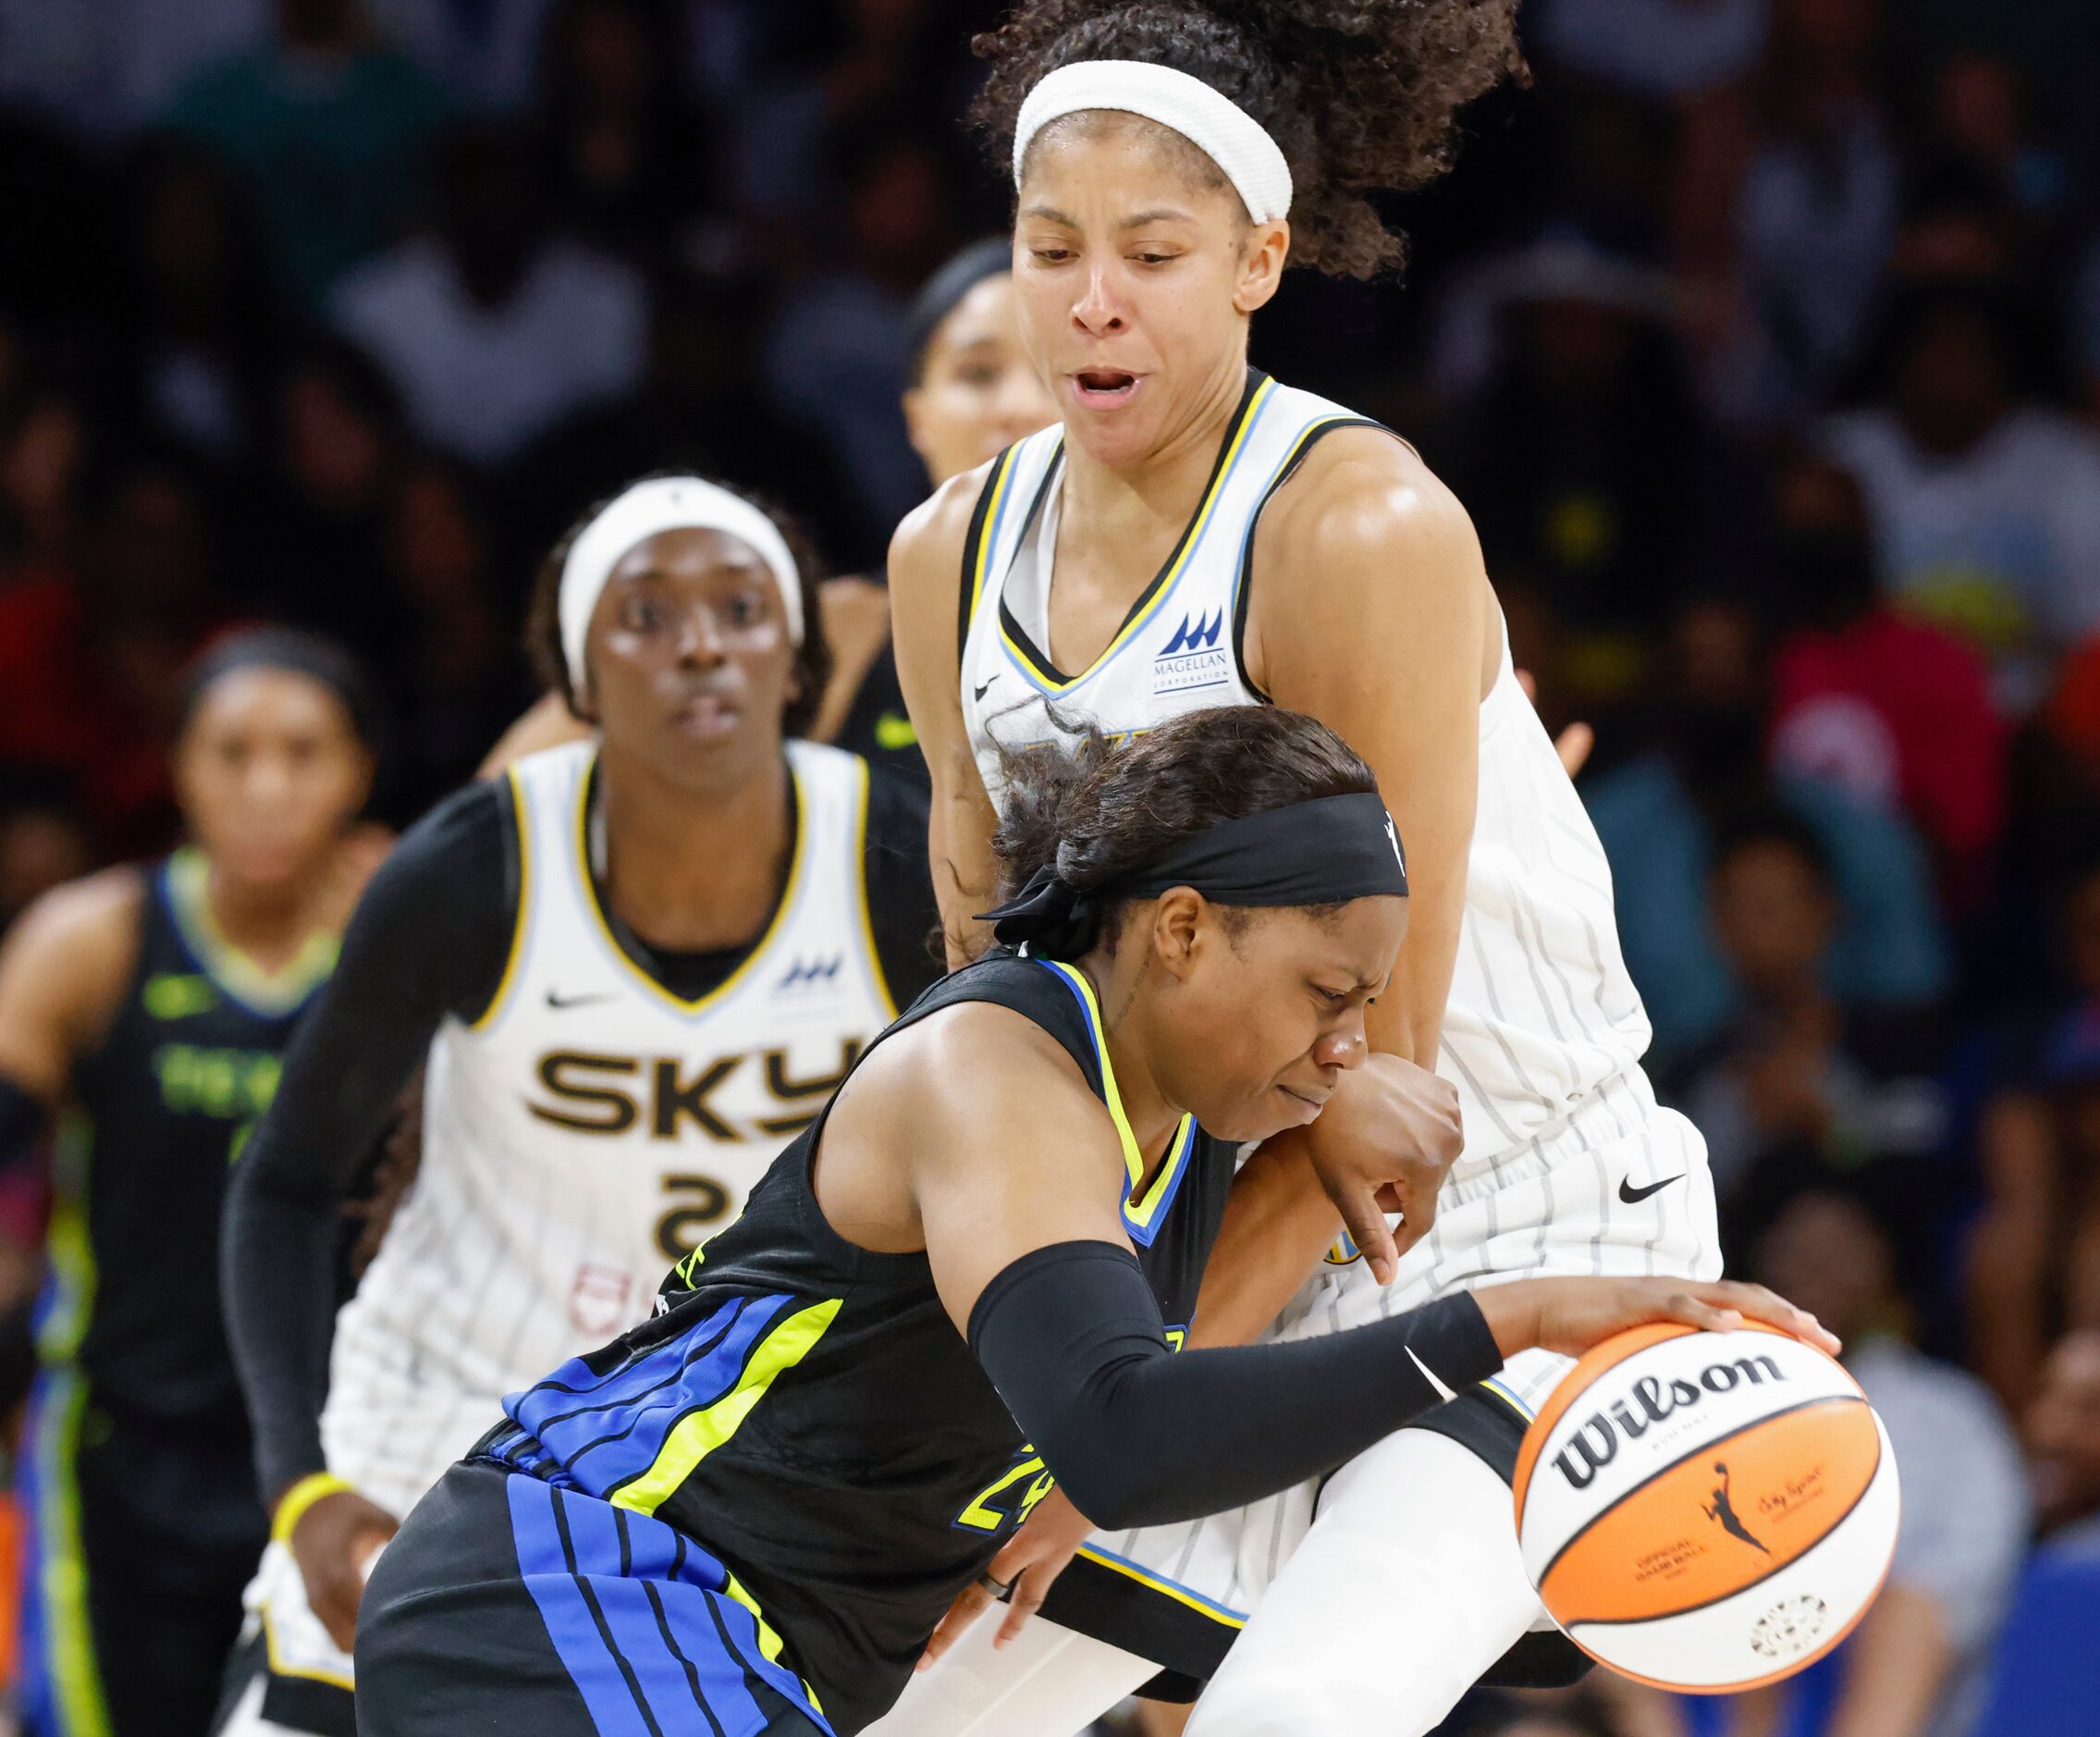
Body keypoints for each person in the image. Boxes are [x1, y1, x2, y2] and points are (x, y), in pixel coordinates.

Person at [351, 705, 1833, 1736]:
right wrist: (1503, 1318)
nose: (1348, 1046)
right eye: (1329, 997)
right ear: (1180, 930)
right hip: (583, 1578)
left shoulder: (1193, 1109)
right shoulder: (992, 1075)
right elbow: (1124, 1437)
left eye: (1369, 1008)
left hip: (743, 1642)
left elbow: (1155, 1435)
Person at [880, 6, 1725, 1732]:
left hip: (1497, 1219)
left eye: (1154, 252)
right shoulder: (944, 555)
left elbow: (1371, 1100)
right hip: (1192, 1265)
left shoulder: (1356, 525)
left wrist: (1102, 1430)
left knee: (1292, 1716)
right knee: (907, 1708)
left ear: (1262, 258)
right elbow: (1010, 1033)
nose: (1091, 299)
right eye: (1052, 250)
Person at [214, 475, 941, 1736]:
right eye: (644, 616)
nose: (700, 641)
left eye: (739, 607)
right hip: (445, 1402)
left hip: (723, 1448)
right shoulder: (472, 866)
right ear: (579, 680)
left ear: (796, 663)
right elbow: (282, 1183)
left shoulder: (893, 861)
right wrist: (301, 1487)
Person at [0, 630, 380, 1737]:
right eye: (233, 753)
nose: (268, 787)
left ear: (360, 771)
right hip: (117, 1447)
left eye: (305, 753)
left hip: (333, 1449)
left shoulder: (402, 942)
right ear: (176, 770)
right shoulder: (91, 941)